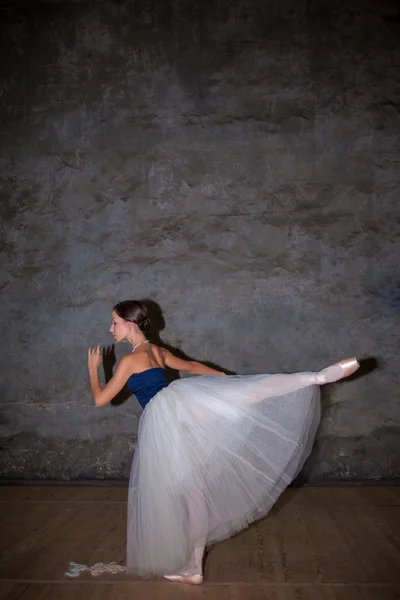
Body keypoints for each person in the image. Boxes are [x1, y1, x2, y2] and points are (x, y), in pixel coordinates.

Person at [79, 300, 359, 585]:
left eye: (114, 322)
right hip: (181, 413)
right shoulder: (157, 352)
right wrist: (226, 382)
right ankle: (315, 377)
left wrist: (93, 369)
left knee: (187, 494)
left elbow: (101, 399)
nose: (110, 328)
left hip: (166, 421)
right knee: (197, 490)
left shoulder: (129, 361)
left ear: (130, 324)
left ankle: (193, 567)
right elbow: (192, 366)